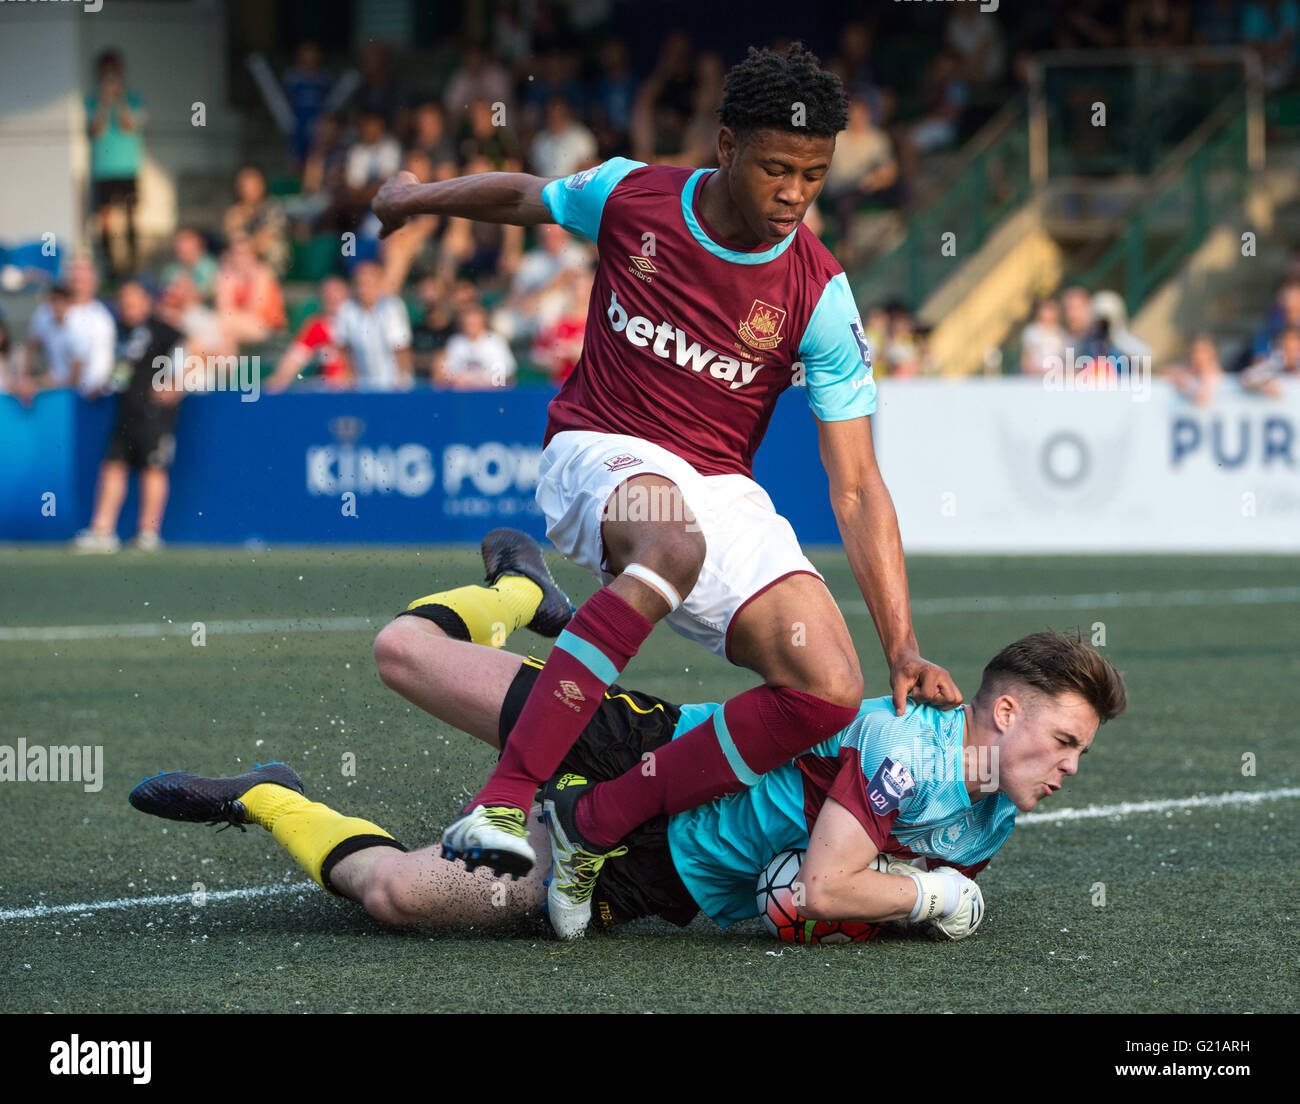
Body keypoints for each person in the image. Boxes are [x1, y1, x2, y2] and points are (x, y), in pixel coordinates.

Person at [372, 42, 960, 939]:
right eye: (776, 168)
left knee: (827, 689)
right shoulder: (633, 194)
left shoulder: (821, 295)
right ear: (725, 145)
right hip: (599, 448)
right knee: (670, 545)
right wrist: (412, 199)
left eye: (814, 174)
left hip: (719, 486)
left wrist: (905, 643)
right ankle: (504, 800)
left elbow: (858, 485)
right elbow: (525, 198)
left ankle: (586, 825)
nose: (795, 194)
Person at [129, 531, 1127, 941]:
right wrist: (926, 900)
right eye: (1066, 741)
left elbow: (820, 899)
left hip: (655, 879)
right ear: (1004, 711)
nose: (1073, 769)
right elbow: (828, 884)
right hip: (641, 751)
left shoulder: (991, 821)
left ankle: (266, 793)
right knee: (401, 652)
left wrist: (875, 905)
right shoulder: (907, 751)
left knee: (393, 895)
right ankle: (516, 592)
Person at [72, 281, 187, 553]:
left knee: (153, 467)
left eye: (133, 300)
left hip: (154, 411)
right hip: (125, 409)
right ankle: (103, 530)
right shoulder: (119, 329)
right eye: (123, 301)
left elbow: (192, 350)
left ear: (147, 301)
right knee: (114, 465)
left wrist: (176, 385)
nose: (127, 307)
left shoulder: (162, 329)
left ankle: (149, 532)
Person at [86, 50, 146, 279]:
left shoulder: (134, 97)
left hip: (127, 167)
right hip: (103, 168)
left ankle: (133, 264)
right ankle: (110, 267)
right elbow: (96, 130)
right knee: (105, 218)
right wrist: (103, 102)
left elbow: (129, 125)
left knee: (131, 213)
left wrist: (119, 100)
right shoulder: (92, 99)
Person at [333, 260, 411, 390]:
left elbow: (401, 348)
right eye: (360, 284)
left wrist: (403, 381)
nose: (364, 289)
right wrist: (350, 376)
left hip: (392, 384)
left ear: (380, 284)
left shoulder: (392, 307)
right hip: (362, 385)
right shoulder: (346, 310)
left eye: (369, 284)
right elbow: (344, 348)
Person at [437, 303, 515, 390]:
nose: (471, 326)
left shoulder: (495, 342)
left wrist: (479, 381)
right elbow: (443, 373)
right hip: (460, 394)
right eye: (468, 323)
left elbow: (506, 375)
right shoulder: (455, 342)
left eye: (474, 322)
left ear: (482, 322)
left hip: (490, 393)